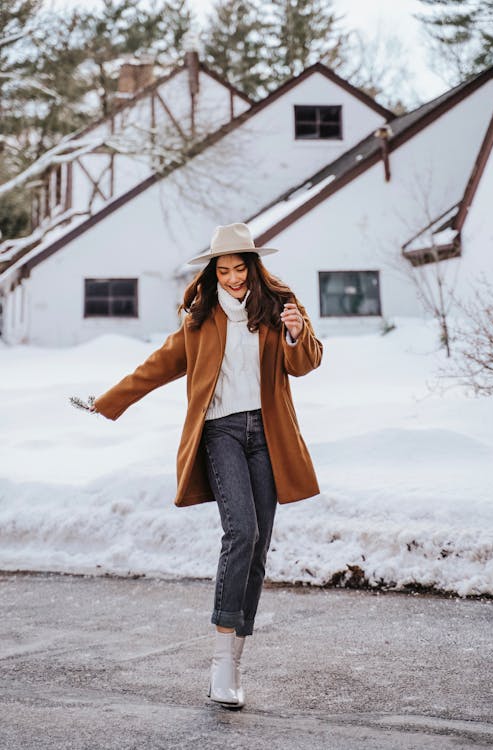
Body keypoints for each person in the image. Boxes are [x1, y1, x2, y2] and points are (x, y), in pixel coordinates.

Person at [84, 223, 323, 709]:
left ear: (253, 268)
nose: (233, 277)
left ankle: (235, 659)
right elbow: (157, 365)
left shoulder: (279, 307)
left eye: (240, 268)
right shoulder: (201, 318)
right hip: (221, 434)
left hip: (268, 436)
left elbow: (306, 364)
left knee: (258, 548)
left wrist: (297, 334)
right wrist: (108, 402)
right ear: (213, 273)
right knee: (242, 533)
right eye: (224, 269)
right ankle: (219, 662)